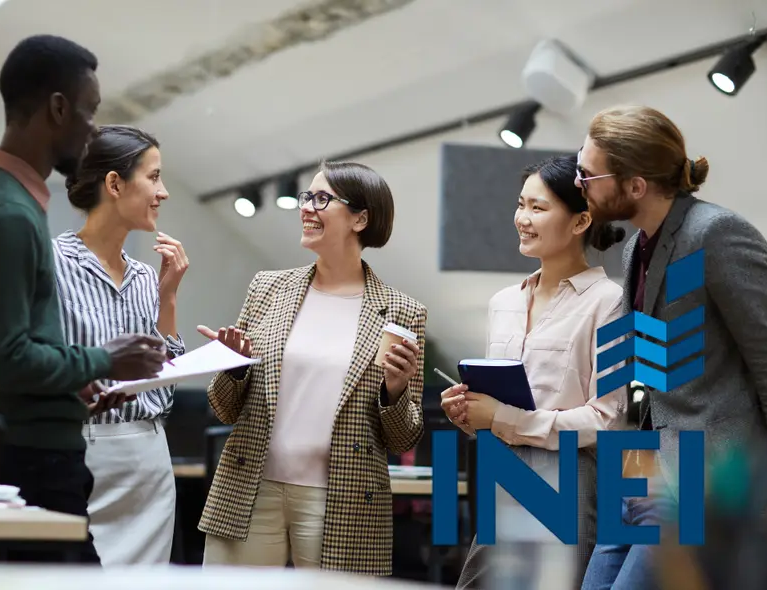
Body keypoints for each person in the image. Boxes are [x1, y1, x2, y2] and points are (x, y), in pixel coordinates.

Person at [0, 35, 166, 564]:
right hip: (29, 463)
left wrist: (68, 382)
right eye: (90, 112)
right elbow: (3, 357)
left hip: (7, 452)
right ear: (58, 108)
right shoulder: (9, 215)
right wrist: (105, 359)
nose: (93, 130)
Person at [576, 105, 767, 589]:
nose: (579, 182)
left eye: (589, 174)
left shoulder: (715, 233)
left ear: (635, 185)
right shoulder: (634, 248)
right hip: (640, 467)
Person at [196, 161, 426, 576]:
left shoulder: (403, 312)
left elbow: (402, 437)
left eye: (322, 199)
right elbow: (224, 409)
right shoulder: (267, 288)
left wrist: (395, 390)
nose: (307, 208)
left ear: (361, 218)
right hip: (250, 487)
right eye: (307, 196)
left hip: (342, 499)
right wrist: (232, 368)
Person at [440, 155, 628, 589]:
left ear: (581, 221)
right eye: (521, 204)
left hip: (568, 478)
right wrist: (470, 413)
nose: (522, 219)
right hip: (503, 472)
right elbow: (502, 405)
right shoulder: (502, 302)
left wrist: (503, 418)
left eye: (538, 208)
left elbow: (607, 419)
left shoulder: (609, 303)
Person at [52, 124, 188, 565]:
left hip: (148, 464)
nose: (163, 192)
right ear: (114, 184)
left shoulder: (148, 277)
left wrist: (168, 298)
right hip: (80, 457)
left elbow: (163, 393)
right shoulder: (51, 264)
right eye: (154, 177)